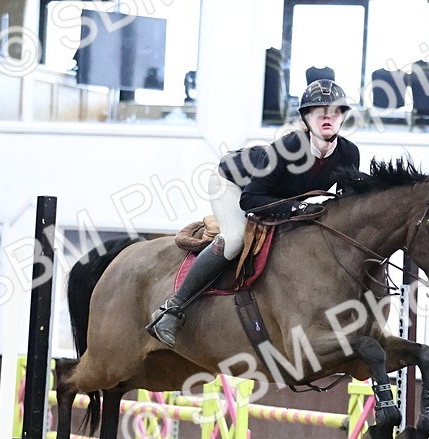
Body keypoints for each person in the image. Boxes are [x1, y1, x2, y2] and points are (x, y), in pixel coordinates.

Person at [146, 79, 362, 347]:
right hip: (234, 184)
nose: (327, 117)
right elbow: (250, 199)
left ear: (342, 117)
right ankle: (171, 309)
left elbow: (345, 203)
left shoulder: (349, 153)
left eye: (334, 112)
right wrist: (298, 208)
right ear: (307, 118)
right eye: (319, 112)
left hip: (275, 198)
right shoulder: (287, 148)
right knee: (235, 239)